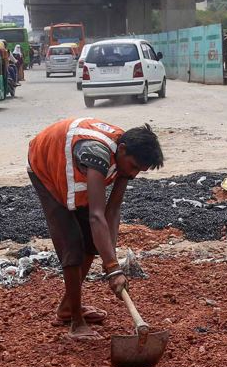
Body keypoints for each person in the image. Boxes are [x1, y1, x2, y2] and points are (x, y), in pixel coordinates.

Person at [27, 118, 164, 340]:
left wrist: (110, 260)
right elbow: (96, 215)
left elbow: (112, 210)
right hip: (46, 165)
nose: (134, 174)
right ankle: (76, 322)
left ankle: (66, 308)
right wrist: (112, 268)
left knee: (92, 242)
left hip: (73, 164)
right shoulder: (96, 153)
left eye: (140, 170)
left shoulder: (124, 157)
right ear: (121, 150)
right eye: (134, 167)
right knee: (72, 243)